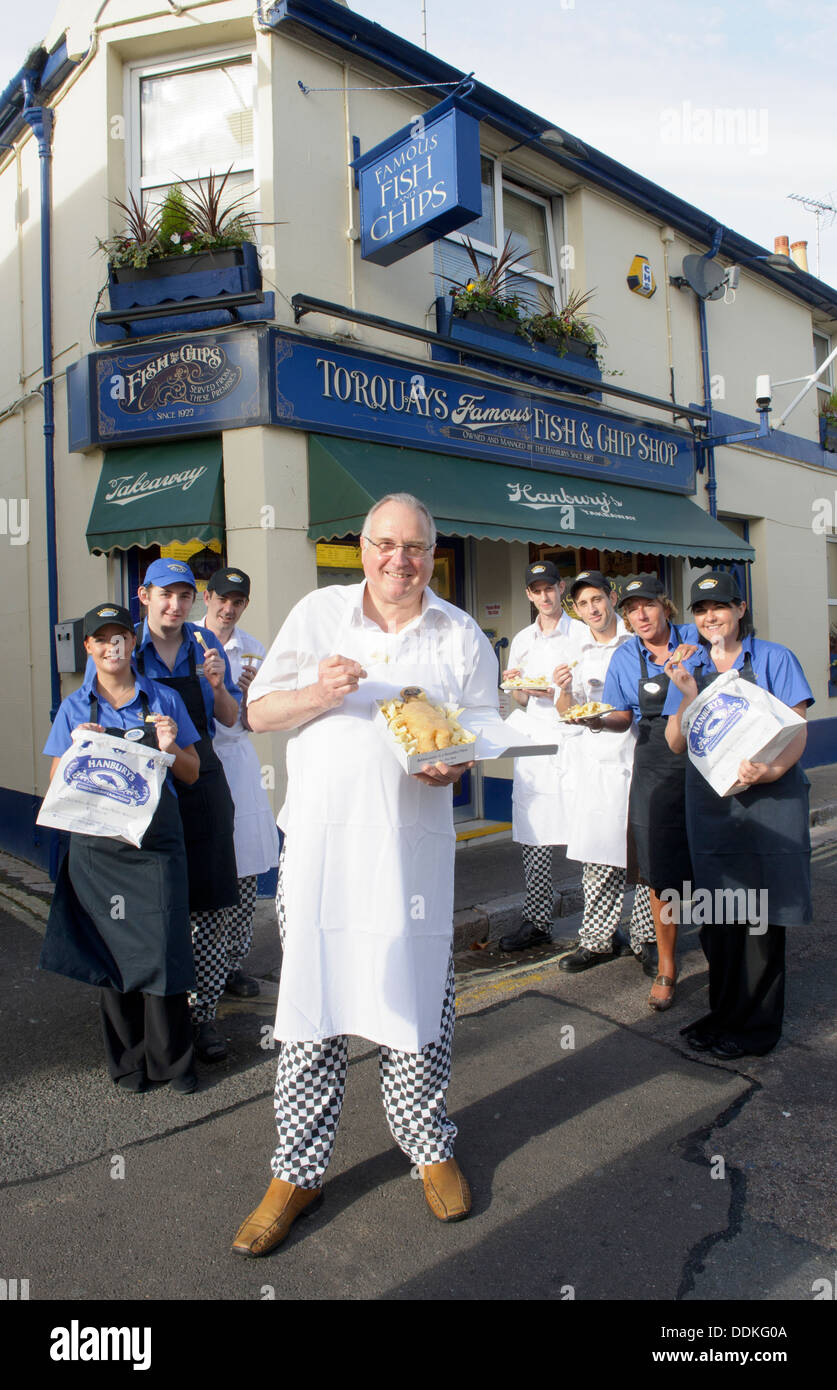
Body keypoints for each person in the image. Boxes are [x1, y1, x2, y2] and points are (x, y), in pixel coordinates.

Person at [231, 492, 499, 1256]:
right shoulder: (318, 614)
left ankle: (428, 1144)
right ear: (362, 546)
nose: (399, 560)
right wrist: (318, 692)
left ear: (430, 553)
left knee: (419, 1003)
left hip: (411, 854)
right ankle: (297, 1170)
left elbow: (481, 723)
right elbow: (256, 713)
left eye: (414, 547)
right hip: (319, 851)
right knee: (311, 1009)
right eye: (385, 544)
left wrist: (459, 762)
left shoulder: (457, 632)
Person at [40, 604, 202, 1093]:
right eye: (102, 639)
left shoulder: (165, 699)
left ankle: (173, 1062)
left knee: (166, 947)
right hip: (99, 846)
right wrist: (73, 751)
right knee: (113, 952)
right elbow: (54, 785)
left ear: (133, 644)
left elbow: (192, 773)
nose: (114, 647)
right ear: (88, 647)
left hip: (156, 844)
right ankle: (129, 1062)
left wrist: (171, 748)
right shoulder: (74, 707)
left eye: (121, 638)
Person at [664, 571, 813, 1059]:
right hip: (712, 810)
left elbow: (797, 730)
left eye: (720, 608)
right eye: (702, 611)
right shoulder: (688, 665)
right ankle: (723, 1014)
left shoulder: (773, 658)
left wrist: (770, 771)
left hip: (768, 804)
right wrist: (687, 694)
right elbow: (674, 742)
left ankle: (755, 1030)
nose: (711, 618)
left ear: (740, 608)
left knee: (760, 922)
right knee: (720, 919)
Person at [133, 559, 242, 1063]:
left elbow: (230, 717)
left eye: (183, 595)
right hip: (146, 785)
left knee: (212, 906)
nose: (175, 605)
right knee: (154, 905)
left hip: (205, 779)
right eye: (165, 595)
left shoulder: (205, 645)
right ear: (145, 596)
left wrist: (218, 685)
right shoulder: (124, 647)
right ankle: (159, 1015)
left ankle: (204, 1018)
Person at [597, 576, 698, 1009]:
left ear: (665, 607)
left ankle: (728, 951)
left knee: (713, 857)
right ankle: (668, 964)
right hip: (655, 759)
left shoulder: (696, 639)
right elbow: (622, 716)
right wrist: (597, 721)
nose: (640, 616)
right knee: (660, 871)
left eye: (648, 606)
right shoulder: (624, 656)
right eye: (631, 609)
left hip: (707, 750)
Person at [555, 572, 657, 974]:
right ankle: (597, 940)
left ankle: (648, 939)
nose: (592, 609)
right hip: (593, 763)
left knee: (644, 854)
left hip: (635, 756)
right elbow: (567, 711)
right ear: (576, 609)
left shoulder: (636, 645)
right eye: (583, 604)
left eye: (597, 599)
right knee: (598, 855)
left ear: (612, 598)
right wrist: (562, 690)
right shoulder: (574, 648)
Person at [198, 567, 280, 999]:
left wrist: (251, 695)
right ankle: (200, 964)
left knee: (246, 861)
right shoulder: (188, 641)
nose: (228, 609)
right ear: (207, 597)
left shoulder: (253, 650)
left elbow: (255, 718)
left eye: (238, 602)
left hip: (239, 760)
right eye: (222, 599)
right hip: (196, 759)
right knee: (206, 864)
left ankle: (232, 963)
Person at [500, 561, 584, 951]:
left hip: (574, 740)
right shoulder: (522, 640)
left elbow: (593, 693)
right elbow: (518, 694)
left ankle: (599, 926)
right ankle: (537, 921)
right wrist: (517, 687)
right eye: (537, 590)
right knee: (535, 835)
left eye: (550, 588)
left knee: (587, 832)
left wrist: (561, 694)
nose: (545, 596)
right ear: (529, 595)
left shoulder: (581, 634)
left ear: (561, 588)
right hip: (534, 744)